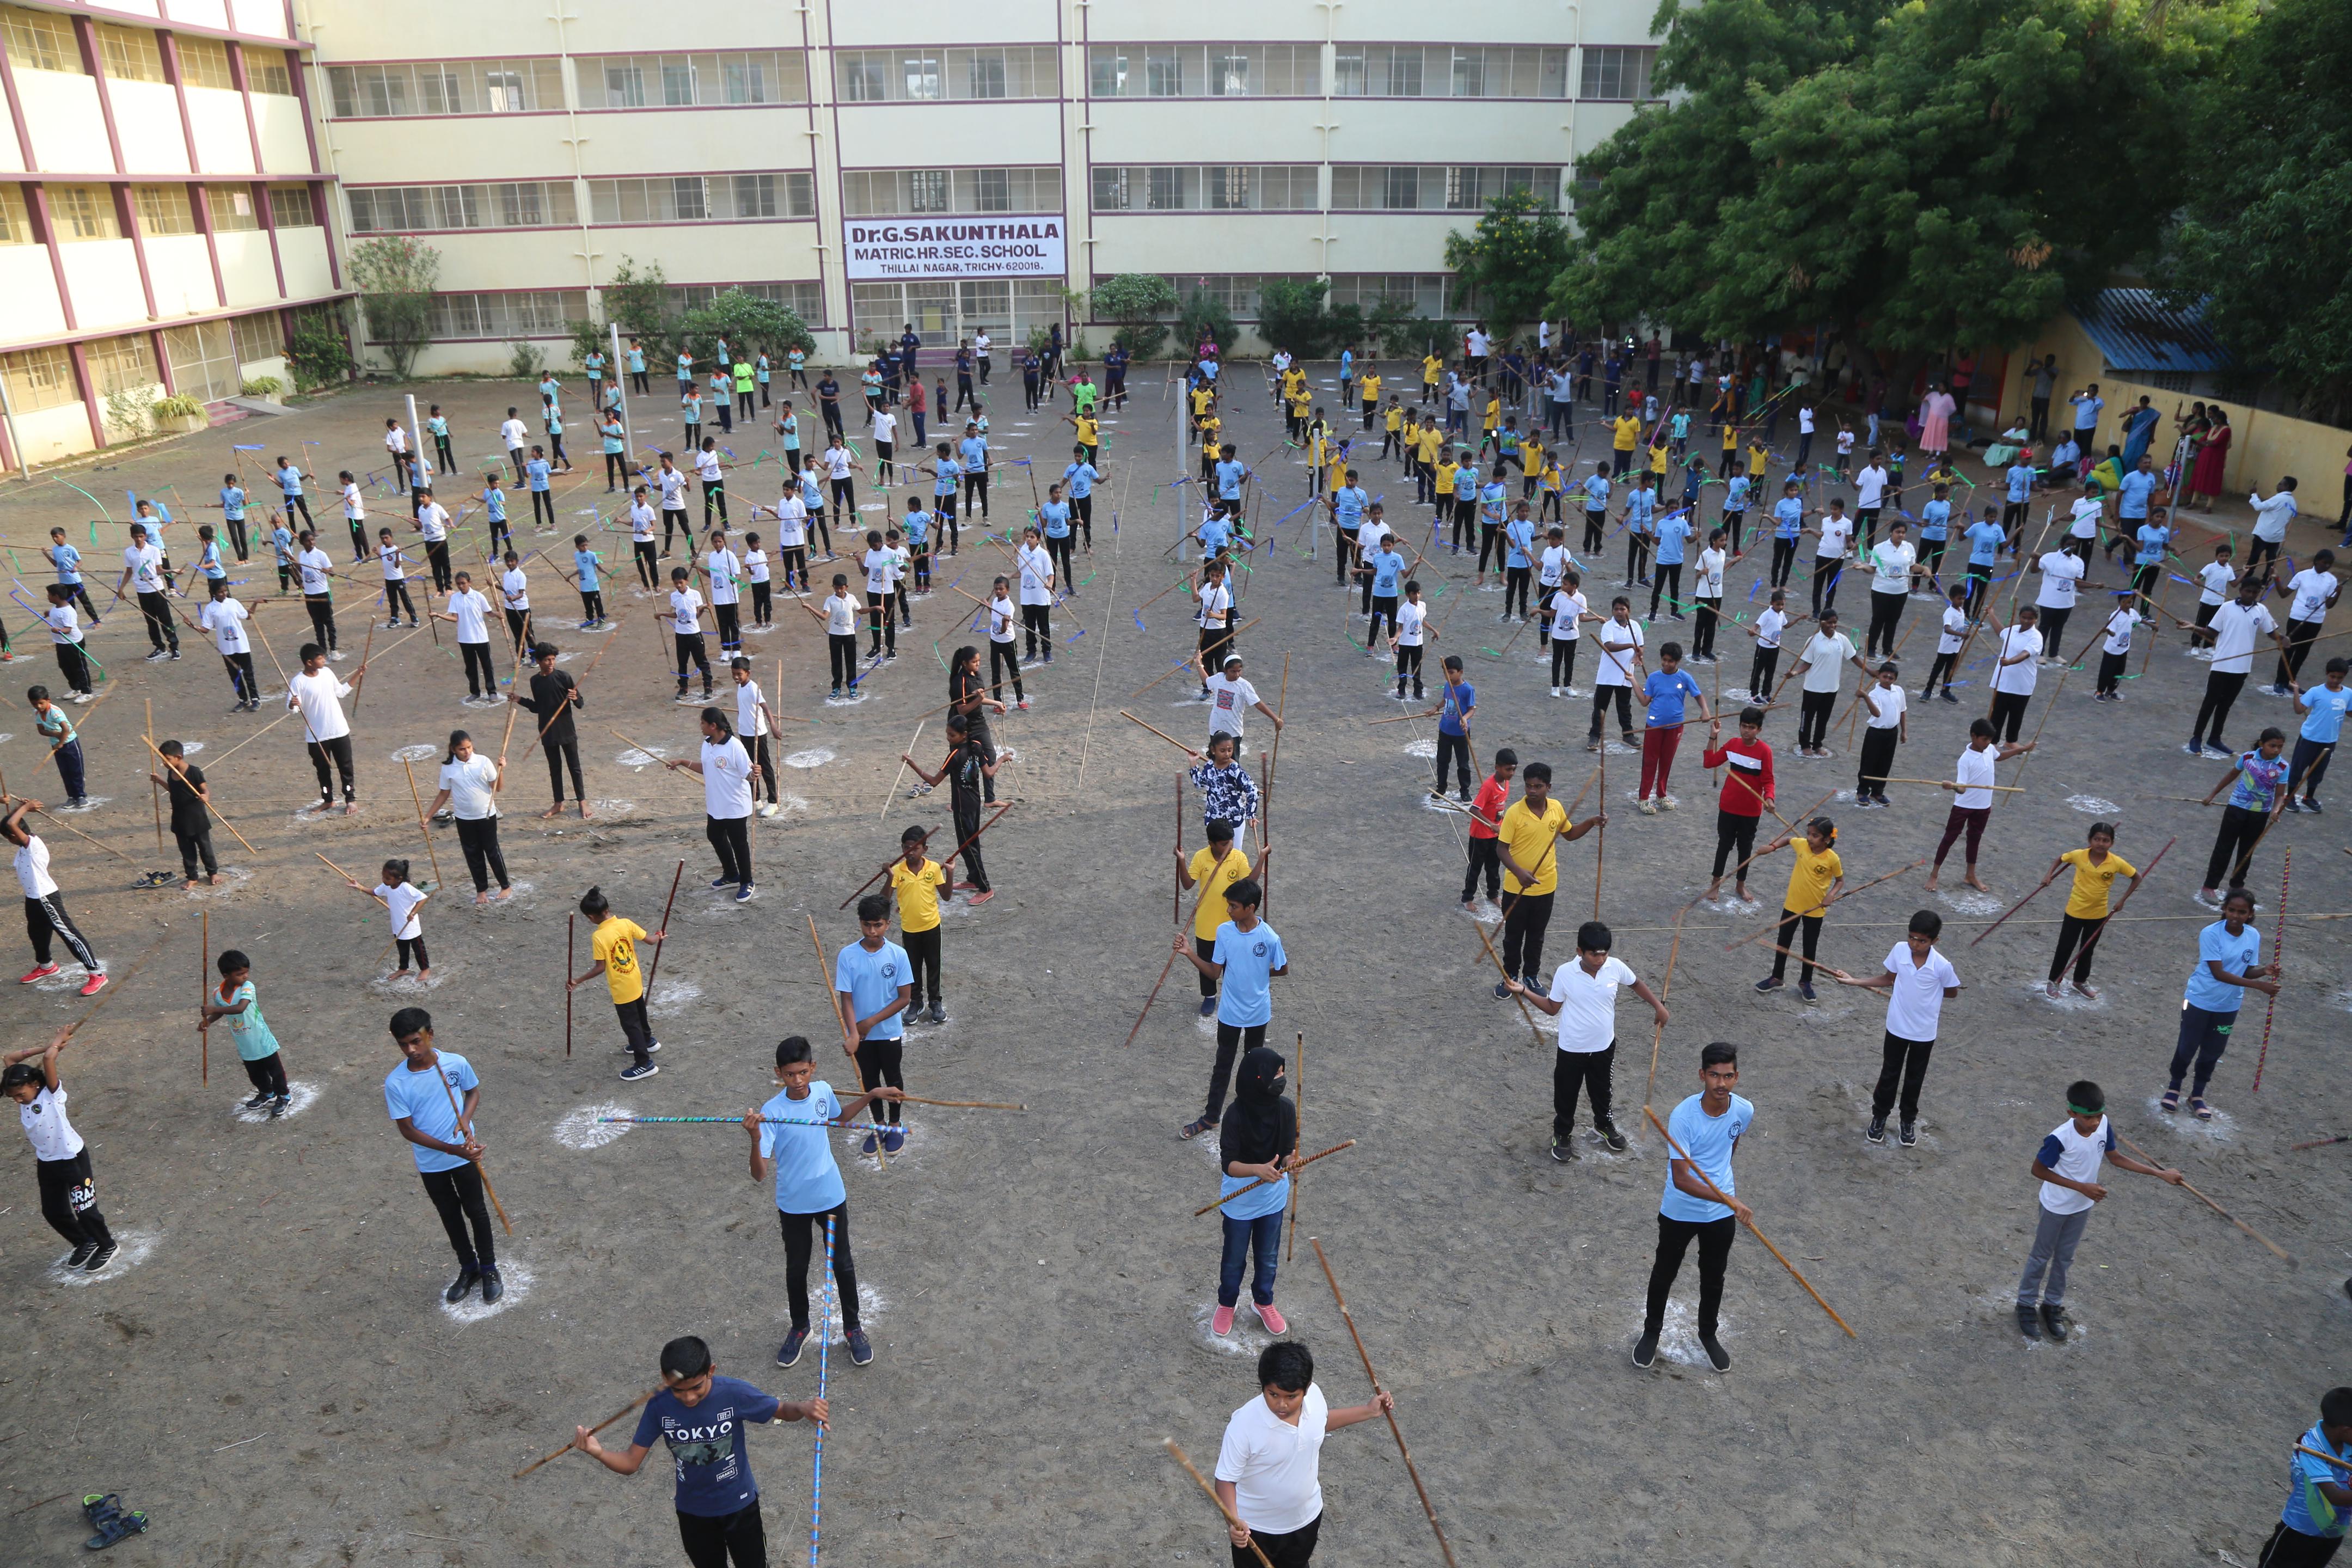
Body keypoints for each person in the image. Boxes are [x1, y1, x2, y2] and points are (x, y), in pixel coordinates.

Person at [574, 1333, 828, 1568]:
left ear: (711, 1371)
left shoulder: (734, 1393)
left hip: (740, 1506)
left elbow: (782, 1410)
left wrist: (804, 1408)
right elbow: (630, 1463)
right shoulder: (659, 1407)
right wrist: (598, 1452)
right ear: (665, 1380)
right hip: (693, 1513)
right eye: (679, 1391)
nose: (689, 1398)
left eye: (697, 1388)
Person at [746, 1036, 898, 1369]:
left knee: (842, 1264)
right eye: (789, 1075)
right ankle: (800, 1327)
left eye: (803, 1072)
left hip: (830, 1196)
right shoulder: (772, 1112)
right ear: (778, 1073)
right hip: (794, 1205)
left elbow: (839, 1120)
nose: (798, 1081)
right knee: (797, 1268)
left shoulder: (823, 1090)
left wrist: (871, 1095)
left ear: (812, 1068)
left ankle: (854, 1329)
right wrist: (756, 1138)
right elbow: (759, 1174)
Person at [2015, 1079, 2182, 1341]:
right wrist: (2082, 1187)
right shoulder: (2060, 1138)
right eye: (2088, 1117)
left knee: (2065, 1258)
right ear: (2072, 1113)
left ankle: (2051, 1305)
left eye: (2099, 1115)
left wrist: (2159, 1174)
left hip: (2082, 1207)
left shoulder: (2104, 1125)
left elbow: (2115, 1157)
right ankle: (2025, 1305)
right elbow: (2038, 1170)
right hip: (2057, 1206)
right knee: (2041, 1256)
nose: (2094, 1122)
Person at [1212, 1340, 1394, 1568]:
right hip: (1257, 1529)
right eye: (1273, 1394)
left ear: (1306, 1389)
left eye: (1291, 1397)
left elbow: (1321, 1423)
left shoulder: (1315, 1397)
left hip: (1306, 1520)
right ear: (1263, 1386)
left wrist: (1367, 1411)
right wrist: (1233, 1520)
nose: (1281, 1405)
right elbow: (1225, 1479)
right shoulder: (1243, 1426)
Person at [1636, 1042, 1752, 1372]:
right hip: (1680, 1211)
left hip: (1720, 1214)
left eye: (1728, 1076)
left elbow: (1732, 1143)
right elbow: (1683, 1180)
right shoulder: (1683, 1117)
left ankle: (1708, 1335)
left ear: (1736, 1077)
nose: (1721, 1084)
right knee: (1664, 1273)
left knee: (1714, 1277)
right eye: (1714, 1075)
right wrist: (1728, 1198)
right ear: (1702, 1075)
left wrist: (1724, 1196)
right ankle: (1651, 1333)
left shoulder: (1744, 1110)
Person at [1508, 919, 1663, 1159]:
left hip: (1604, 1046)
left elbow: (1637, 984)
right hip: (1572, 1048)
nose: (1600, 960)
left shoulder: (1616, 967)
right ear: (1579, 951)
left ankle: (1603, 1125)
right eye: (1593, 955)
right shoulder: (1565, 973)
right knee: (1566, 1094)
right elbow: (1551, 1008)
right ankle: (1562, 1133)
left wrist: (1657, 1006)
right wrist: (1524, 991)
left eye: (1604, 954)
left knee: (1602, 1090)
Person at [383, 1007, 502, 1303]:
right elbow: (408, 1130)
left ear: (430, 1035)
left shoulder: (455, 1063)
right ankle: (469, 1268)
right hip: (432, 1163)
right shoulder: (396, 1083)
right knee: (449, 1216)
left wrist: (465, 1119)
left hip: (466, 1157)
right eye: (403, 1044)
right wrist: (451, 1148)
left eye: (416, 1041)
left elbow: (472, 1092)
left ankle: (489, 1268)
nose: (411, 1050)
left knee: (476, 1211)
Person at [1824, 910, 1961, 1145]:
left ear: (1935, 941)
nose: (1915, 944)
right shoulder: (1899, 950)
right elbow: (1888, 979)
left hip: (1924, 1033)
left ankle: (1907, 1121)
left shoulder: (1942, 966)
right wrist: (1853, 980)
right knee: (1889, 1073)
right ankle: (1879, 1117)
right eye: (1912, 938)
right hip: (1896, 1027)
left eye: (1922, 941)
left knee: (1914, 1078)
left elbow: (1951, 992)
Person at [1177, 878, 1287, 1141]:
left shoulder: (1269, 938)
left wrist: (1258, 972)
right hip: (1230, 1013)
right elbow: (1214, 972)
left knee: (1255, 1070)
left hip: (1258, 1014)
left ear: (1250, 908)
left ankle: (1251, 1118)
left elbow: (1283, 968)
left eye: (1233, 906)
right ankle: (1211, 1117)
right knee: (1222, 1065)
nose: (1228, 911)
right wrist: (1190, 953)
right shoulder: (1225, 932)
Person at [4, 1022, 117, 1269]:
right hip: (47, 1162)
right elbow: (10, 1057)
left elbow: (48, 1059)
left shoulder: (51, 1095)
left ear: (34, 1085)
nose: (17, 1101)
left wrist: (57, 1041)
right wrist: (47, 1046)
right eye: (13, 1097)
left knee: (85, 1210)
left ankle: (107, 1245)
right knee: (53, 1211)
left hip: (72, 1159)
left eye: (20, 1095)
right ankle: (84, 1242)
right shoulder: (22, 1087)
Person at [1210, 1047, 1299, 1337]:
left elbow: (1286, 1153)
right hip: (1240, 1198)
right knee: (1234, 1257)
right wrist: (1258, 1170)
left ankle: (1263, 1301)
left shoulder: (1286, 1109)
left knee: (1268, 1256)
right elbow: (1229, 1165)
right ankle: (1227, 1303)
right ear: (1257, 1078)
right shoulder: (1236, 1114)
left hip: (1273, 1198)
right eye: (1276, 1073)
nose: (1281, 1078)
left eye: (1283, 1072)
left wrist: (1292, 1164)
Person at [1494, 762, 1603, 991]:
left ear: (1549, 787)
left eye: (1538, 786)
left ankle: (1531, 976)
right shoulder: (1514, 813)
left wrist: (1591, 823)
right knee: (1513, 937)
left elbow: (1570, 834)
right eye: (1528, 786)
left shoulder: (1556, 808)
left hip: (1546, 887)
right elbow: (1501, 849)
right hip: (1516, 888)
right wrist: (1519, 872)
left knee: (1536, 936)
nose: (1532, 791)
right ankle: (1510, 976)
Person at [833, 894, 914, 1153]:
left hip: (889, 1032)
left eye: (878, 925)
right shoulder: (847, 956)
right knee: (869, 1080)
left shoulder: (898, 955)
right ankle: (878, 1125)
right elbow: (846, 999)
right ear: (860, 923)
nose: (872, 931)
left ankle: (894, 1124)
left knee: (892, 1078)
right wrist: (855, 1032)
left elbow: (904, 998)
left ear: (888, 924)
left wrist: (871, 1022)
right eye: (867, 925)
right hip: (862, 1037)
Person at [5, 797, 103, 992]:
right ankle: (47, 967)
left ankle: (97, 974)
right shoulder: (24, 843)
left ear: (16, 835)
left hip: (45, 898)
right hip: (33, 898)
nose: (8, 840)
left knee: (69, 935)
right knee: (37, 934)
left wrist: (25, 807)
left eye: (8, 836)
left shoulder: (31, 846)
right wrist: (20, 807)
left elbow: (10, 824)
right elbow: (12, 822)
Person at [569, 886, 664, 1081]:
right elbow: (650, 941)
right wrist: (659, 935)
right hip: (634, 978)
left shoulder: (599, 936)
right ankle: (648, 1041)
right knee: (640, 1011)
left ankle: (644, 1063)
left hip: (621, 987)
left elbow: (600, 968)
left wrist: (577, 981)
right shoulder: (626, 923)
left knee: (631, 1025)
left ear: (590, 917)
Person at [2255, 1388, 2352, 1568]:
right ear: (2346, 1430)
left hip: (2333, 1533)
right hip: (2298, 1531)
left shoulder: (2348, 1443)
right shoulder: (2310, 1447)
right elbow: (2334, 1496)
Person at [2190, 576, 2287, 757]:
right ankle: (2197, 737)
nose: (2250, 595)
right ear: (2241, 590)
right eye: (2247, 591)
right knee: (2210, 702)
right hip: (2222, 664)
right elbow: (2212, 632)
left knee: (2225, 705)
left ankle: (2215, 739)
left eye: (2254, 592)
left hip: (2243, 667)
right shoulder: (2226, 608)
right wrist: (2193, 628)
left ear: (2259, 593)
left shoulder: (2261, 611)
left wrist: (2282, 638)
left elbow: (2272, 633)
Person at [666, 708, 757, 902]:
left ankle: (747, 881)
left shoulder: (735, 746)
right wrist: (682, 762)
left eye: (702, 723)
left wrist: (754, 774)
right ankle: (732, 874)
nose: (701, 726)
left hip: (735, 806)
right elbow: (707, 768)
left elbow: (747, 775)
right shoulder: (707, 744)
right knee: (714, 835)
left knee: (739, 844)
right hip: (716, 804)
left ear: (713, 726)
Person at [1753, 814, 1842, 1000]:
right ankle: (1777, 977)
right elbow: (1788, 839)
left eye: (1815, 836)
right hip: (1792, 904)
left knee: (1810, 946)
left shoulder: (1832, 859)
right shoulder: (1802, 845)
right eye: (1809, 834)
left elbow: (1840, 881)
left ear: (1826, 839)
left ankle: (1805, 981)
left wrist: (1831, 895)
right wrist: (1772, 847)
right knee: (1783, 942)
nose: (1809, 838)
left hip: (1815, 910)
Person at [2198, 726, 2289, 905]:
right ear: (2262, 744)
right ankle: (2210, 886)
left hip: (2259, 814)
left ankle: (2237, 886)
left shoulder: (2282, 767)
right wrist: (2212, 795)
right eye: (2273, 746)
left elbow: (2279, 795)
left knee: (2247, 851)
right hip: (2236, 808)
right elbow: (2231, 775)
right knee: (2224, 848)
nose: (2276, 750)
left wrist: (2276, 810)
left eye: (2280, 747)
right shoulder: (2247, 758)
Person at [1179, 817, 1255, 1019]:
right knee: (1206, 962)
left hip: (1232, 925)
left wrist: (1263, 859)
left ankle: (1234, 996)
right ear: (1211, 843)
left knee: (1233, 964)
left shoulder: (1238, 857)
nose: (1229, 846)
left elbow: (1250, 884)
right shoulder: (1201, 858)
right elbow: (1188, 884)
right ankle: (1209, 996)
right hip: (1206, 923)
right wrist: (1181, 861)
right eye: (1224, 844)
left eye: (1231, 842)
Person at [201, 948, 289, 1115]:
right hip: (244, 1042)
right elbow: (221, 1011)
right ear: (226, 976)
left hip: (261, 1039)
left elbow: (241, 1008)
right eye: (240, 974)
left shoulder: (247, 987)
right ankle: (267, 1093)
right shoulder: (217, 993)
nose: (245, 976)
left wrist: (213, 1008)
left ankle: (284, 1096)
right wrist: (208, 1021)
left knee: (275, 1071)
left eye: (246, 972)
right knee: (255, 1073)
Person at [289, 642, 362, 813]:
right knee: (322, 771)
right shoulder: (298, 682)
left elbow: (341, 692)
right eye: (320, 658)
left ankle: (350, 799)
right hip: (317, 736)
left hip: (339, 730)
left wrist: (358, 674)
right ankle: (327, 799)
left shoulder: (327, 673)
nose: (324, 661)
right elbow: (293, 710)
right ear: (309, 662)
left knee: (346, 768)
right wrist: (293, 704)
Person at [1638, 641, 1708, 811]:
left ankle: (1661, 795)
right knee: (1650, 761)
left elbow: (1698, 696)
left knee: (1666, 761)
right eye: (1664, 660)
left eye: (1671, 661)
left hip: (1676, 727)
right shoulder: (1654, 678)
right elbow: (1644, 701)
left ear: (1678, 662)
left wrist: (1705, 711)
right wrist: (1633, 680)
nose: (1667, 664)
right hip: (1654, 727)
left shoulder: (1685, 678)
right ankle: (1643, 798)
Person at [1790, 609, 1864, 757]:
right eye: (1829, 622)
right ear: (1822, 623)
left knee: (1823, 718)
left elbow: (1854, 657)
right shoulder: (1813, 641)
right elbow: (1807, 663)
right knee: (1808, 717)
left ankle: (1817, 744)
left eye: (1835, 623)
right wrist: (1795, 672)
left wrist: (1869, 671)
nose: (1833, 625)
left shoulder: (1841, 640)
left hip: (1831, 687)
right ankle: (1805, 744)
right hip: (1813, 687)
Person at [149, 738, 220, 888]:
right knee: (187, 851)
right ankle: (192, 876)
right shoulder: (171, 772)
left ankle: (213, 872)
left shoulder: (194, 771)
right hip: (180, 819)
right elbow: (173, 790)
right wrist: (159, 780)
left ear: (178, 757)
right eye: (163, 760)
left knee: (205, 848)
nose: (165, 763)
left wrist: (205, 796)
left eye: (167, 759)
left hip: (197, 818)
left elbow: (205, 789)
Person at [2271, 550, 2342, 696]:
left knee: (2302, 652)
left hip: (2315, 620)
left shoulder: (2331, 580)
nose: (2327, 566)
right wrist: (2277, 579)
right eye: (2324, 563)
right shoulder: (2302, 575)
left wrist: (2338, 594)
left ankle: (2291, 681)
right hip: (2298, 617)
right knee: (2289, 649)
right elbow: (2284, 594)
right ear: (2316, 561)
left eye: (2330, 564)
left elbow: (2329, 605)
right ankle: (2279, 681)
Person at [2288, 659, 2351, 812]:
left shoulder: (2349, 693)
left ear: (2345, 677)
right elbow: (2299, 709)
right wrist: (2296, 691)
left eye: (2340, 678)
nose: (2335, 681)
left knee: (2318, 770)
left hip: (2330, 740)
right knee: (2298, 768)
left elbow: (2349, 713)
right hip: (2309, 738)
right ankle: (2289, 797)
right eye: (2332, 677)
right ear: (2327, 674)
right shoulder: (2315, 691)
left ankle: (2309, 797)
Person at [26, 685, 89, 807]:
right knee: (65, 772)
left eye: (41, 703)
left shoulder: (55, 712)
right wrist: (55, 735)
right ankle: (71, 796)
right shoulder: (38, 713)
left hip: (70, 743)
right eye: (35, 704)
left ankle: (81, 796)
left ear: (48, 700)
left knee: (76, 770)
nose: (38, 707)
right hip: (56, 745)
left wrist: (61, 742)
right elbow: (41, 731)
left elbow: (66, 729)